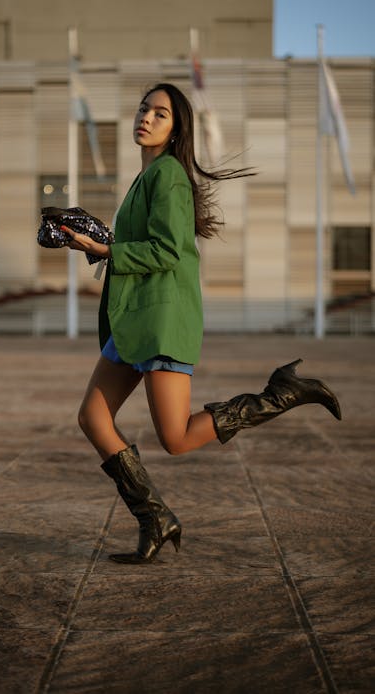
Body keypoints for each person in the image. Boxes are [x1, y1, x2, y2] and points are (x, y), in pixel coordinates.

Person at [60, 82, 341, 565]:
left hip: (162, 323)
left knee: (176, 438)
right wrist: (96, 240)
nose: (146, 117)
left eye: (160, 113)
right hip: (134, 324)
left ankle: (280, 393)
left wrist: (106, 250)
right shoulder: (146, 177)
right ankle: (155, 518)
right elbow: (148, 246)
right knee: (92, 417)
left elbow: (169, 251)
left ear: (175, 131)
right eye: (143, 108)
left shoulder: (168, 175)